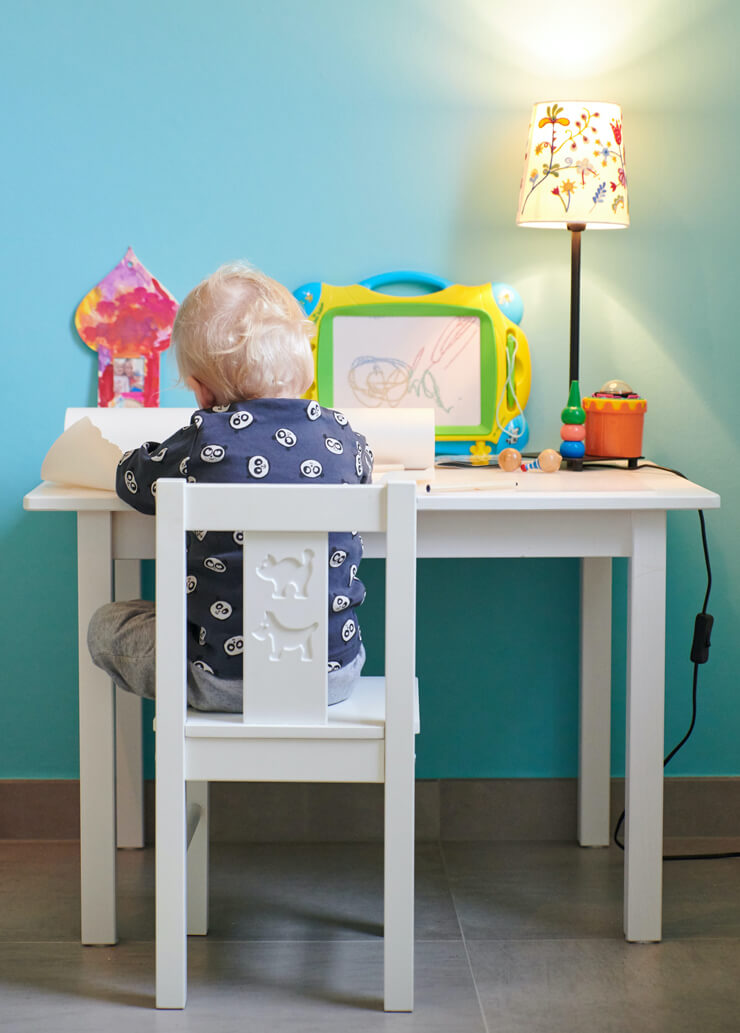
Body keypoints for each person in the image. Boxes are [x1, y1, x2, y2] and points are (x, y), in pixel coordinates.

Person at [88, 262, 372, 710]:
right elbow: (366, 474)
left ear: (201, 392)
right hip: (333, 677)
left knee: (109, 622)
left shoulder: (204, 440)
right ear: (304, 366)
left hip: (218, 680)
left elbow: (134, 481)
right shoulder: (343, 438)